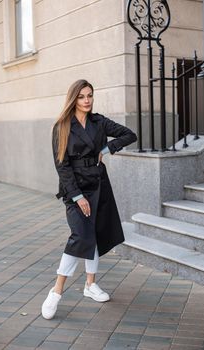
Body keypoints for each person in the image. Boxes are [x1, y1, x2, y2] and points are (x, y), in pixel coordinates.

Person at [41, 79, 137, 319]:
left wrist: (107, 149)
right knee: (81, 235)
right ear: (74, 98)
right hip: (74, 188)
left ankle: (90, 285)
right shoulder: (62, 126)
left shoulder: (99, 121)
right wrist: (77, 196)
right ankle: (56, 290)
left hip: (99, 184)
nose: (87, 100)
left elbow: (129, 134)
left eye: (90, 96)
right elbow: (61, 166)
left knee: (93, 234)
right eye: (82, 96)